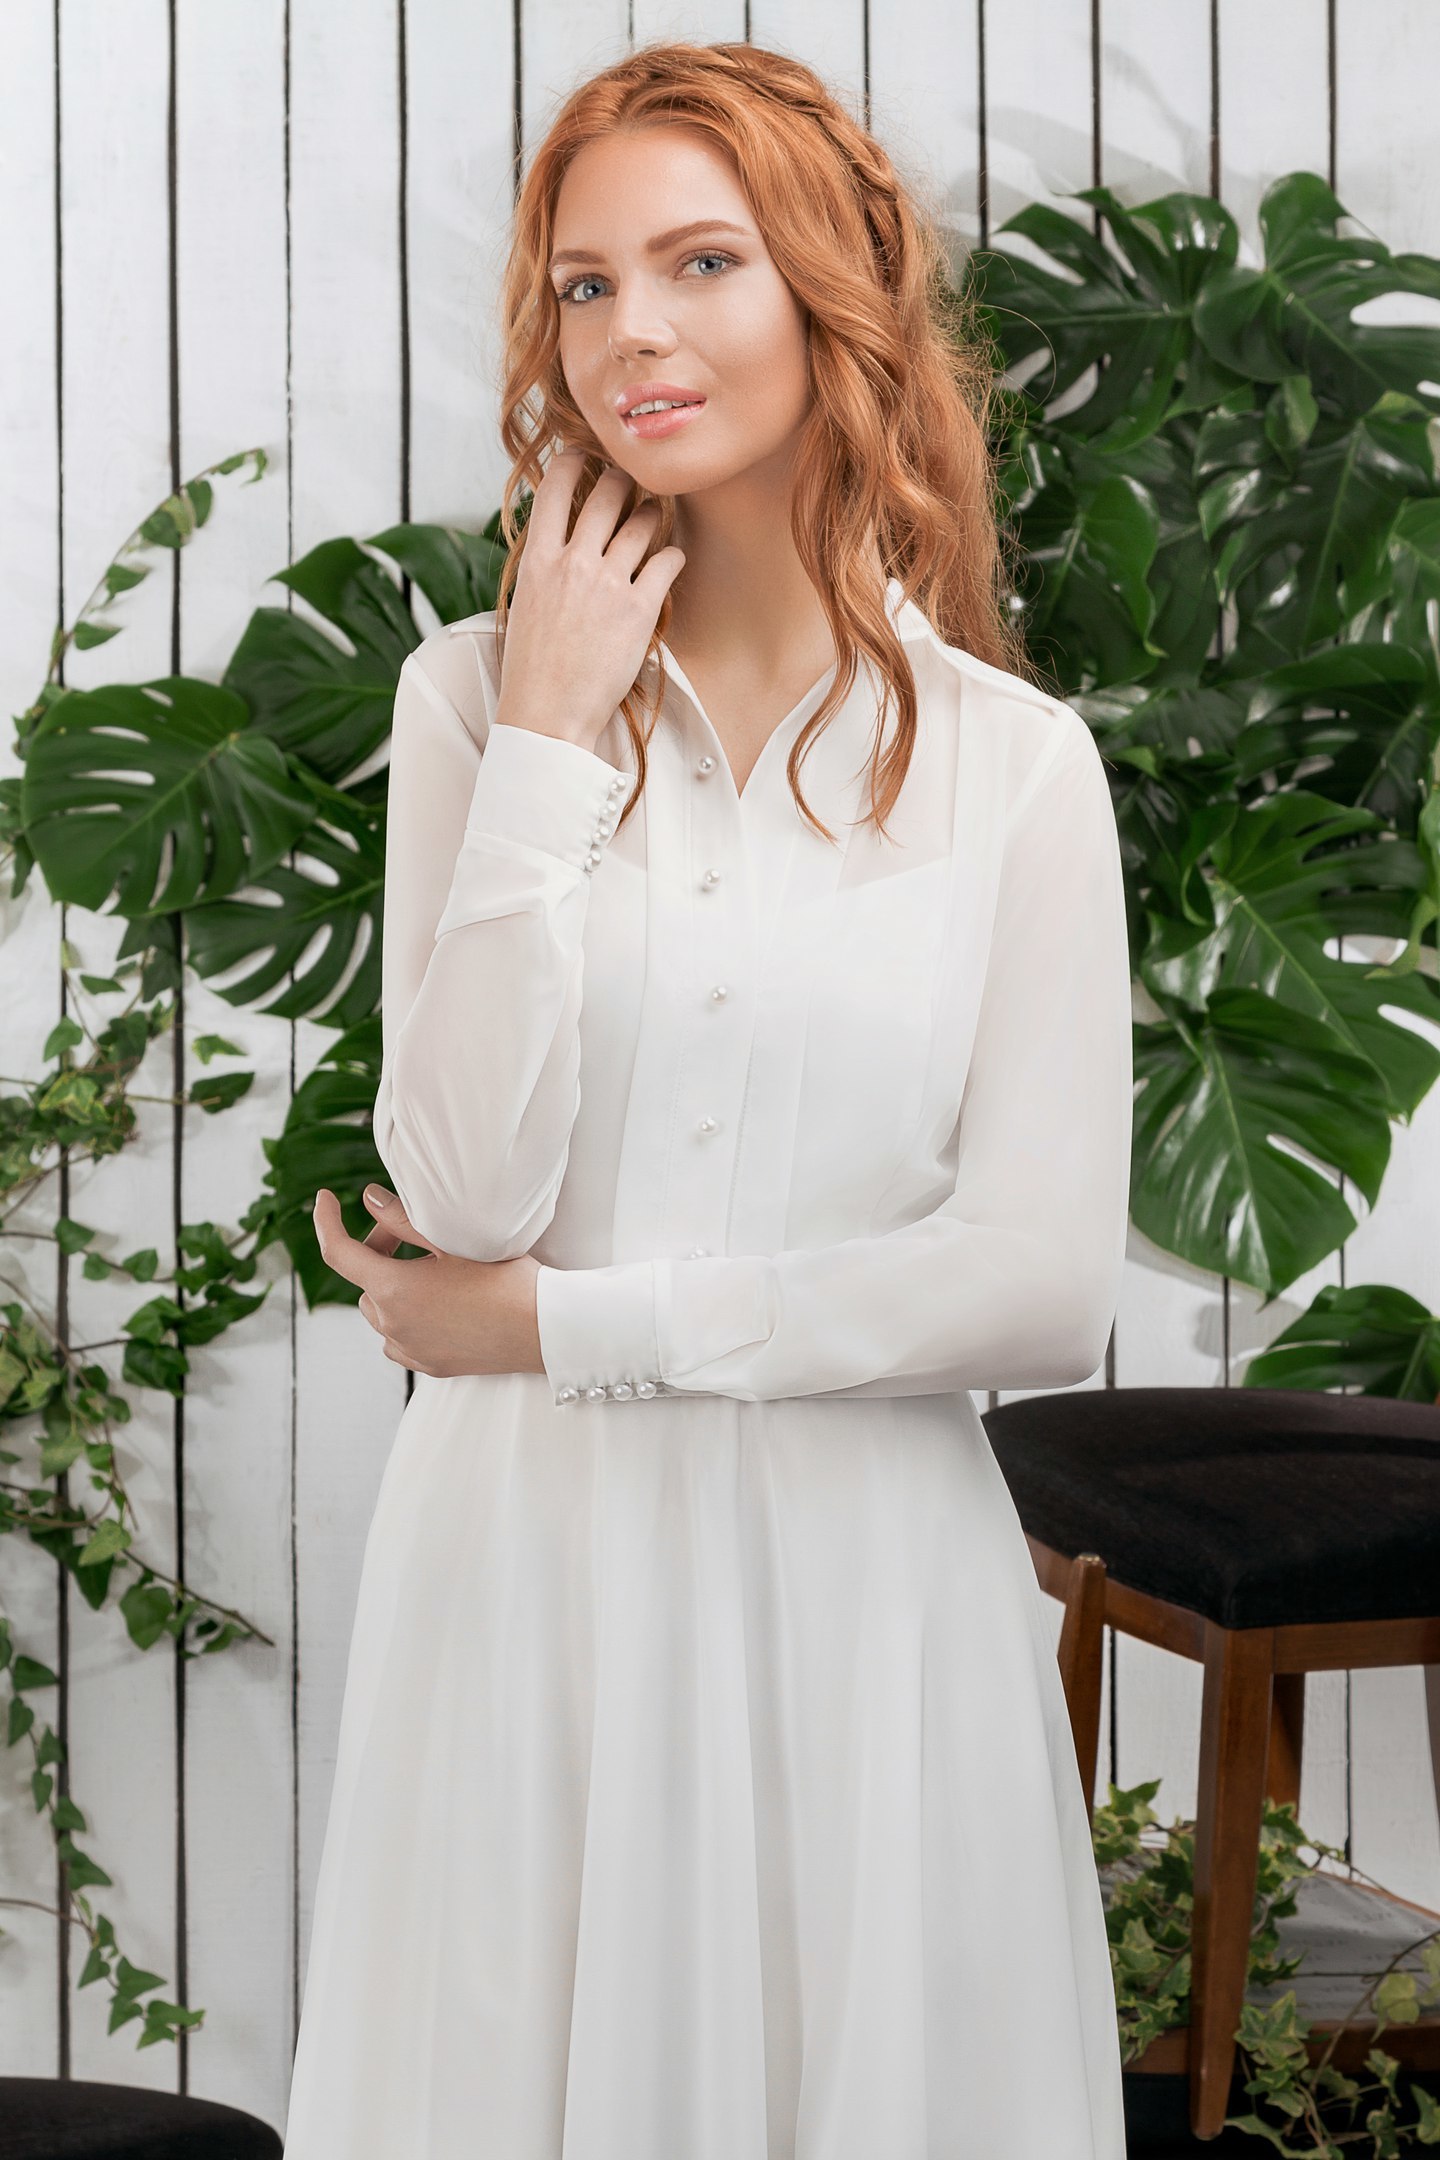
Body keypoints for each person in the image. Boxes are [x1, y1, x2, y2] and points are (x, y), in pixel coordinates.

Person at [289, 38, 1132, 2160]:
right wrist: (551, 739)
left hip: (869, 1593)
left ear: (832, 288)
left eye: (699, 262)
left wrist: (566, 1326)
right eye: (584, 285)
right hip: (524, 1587)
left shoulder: (1014, 766)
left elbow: (1038, 1287)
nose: (631, 333)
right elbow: (466, 1183)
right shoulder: (473, 703)